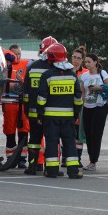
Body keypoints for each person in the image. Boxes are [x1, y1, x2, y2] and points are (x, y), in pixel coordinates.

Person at [37, 43, 84, 179]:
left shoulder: (47, 75)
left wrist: (40, 114)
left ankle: (51, 171)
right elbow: (78, 98)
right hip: (68, 117)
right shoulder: (72, 75)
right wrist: (76, 113)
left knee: (52, 142)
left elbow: (41, 98)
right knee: (70, 143)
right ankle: (73, 171)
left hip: (50, 118)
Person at [22, 36, 58, 175]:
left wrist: (26, 108)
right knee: (51, 140)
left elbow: (26, 91)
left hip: (33, 111)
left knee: (34, 140)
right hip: (50, 113)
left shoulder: (32, 67)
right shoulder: (57, 70)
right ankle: (50, 168)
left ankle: (32, 166)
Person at [80, 53, 108, 171]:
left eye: (89, 62)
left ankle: (94, 160)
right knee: (88, 134)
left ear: (95, 62)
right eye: (86, 62)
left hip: (99, 106)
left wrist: (98, 88)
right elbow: (82, 92)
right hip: (88, 106)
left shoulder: (102, 74)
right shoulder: (84, 76)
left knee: (96, 133)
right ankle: (90, 159)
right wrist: (82, 103)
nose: (87, 64)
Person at [2, 45, 30, 168]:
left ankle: (22, 158)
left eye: (19, 54)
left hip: (22, 103)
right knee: (10, 132)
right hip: (9, 103)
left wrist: (20, 82)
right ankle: (11, 158)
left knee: (24, 131)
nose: (17, 56)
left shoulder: (25, 64)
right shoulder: (5, 65)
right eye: (15, 54)